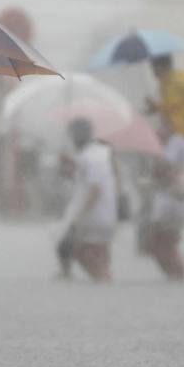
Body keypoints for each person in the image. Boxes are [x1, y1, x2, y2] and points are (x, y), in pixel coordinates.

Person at [59, 118, 118, 283]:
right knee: (100, 253)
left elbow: (95, 189)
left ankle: (102, 279)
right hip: (108, 214)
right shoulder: (100, 153)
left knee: (78, 249)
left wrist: (79, 216)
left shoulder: (88, 157)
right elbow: (84, 180)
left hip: (93, 216)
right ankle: (105, 280)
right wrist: (67, 166)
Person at [148, 118, 184, 281]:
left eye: (162, 126)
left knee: (167, 242)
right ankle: (173, 277)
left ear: (171, 127)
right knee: (156, 244)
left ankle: (179, 276)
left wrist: (166, 171)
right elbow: (158, 177)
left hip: (176, 202)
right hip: (165, 202)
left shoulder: (179, 144)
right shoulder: (163, 146)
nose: (158, 130)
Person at [144, 54, 184, 144]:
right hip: (183, 122)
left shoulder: (174, 82)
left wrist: (155, 107)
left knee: (158, 139)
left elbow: (170, 105)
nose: (153, 72)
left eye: (154, 67)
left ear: (164, 67)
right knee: (158, 138)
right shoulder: (168, 80)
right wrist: (155, 107)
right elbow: (171, 105)